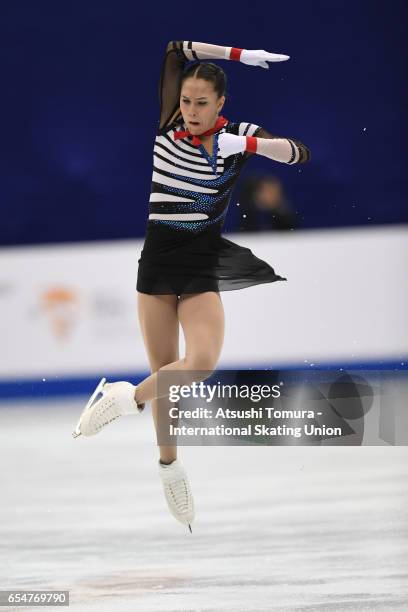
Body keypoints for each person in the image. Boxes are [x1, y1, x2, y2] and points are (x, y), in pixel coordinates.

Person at [72, 41, 311, 533]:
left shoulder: (238, 135)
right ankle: (170, 469)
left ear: (221, 103)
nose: (192, 111)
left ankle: (122, 399)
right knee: (167, 376)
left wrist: (246, 145)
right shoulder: (168, 128)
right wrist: (239, 55)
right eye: (186, 101)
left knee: (198, 364)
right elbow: (175, 49)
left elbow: (298, 154)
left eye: (202, 102)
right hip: (157, 265)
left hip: (202, 265)